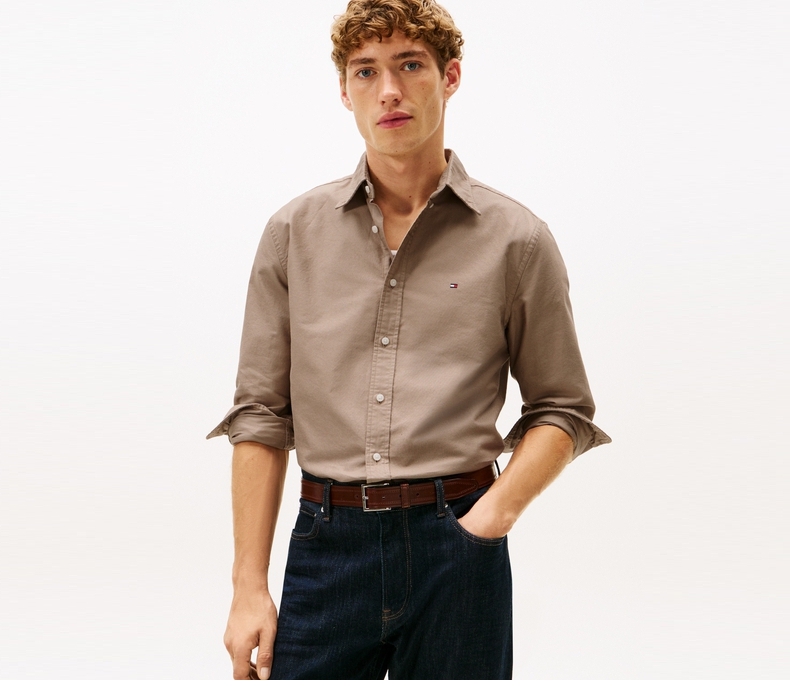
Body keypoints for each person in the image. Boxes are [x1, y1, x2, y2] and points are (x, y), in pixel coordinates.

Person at [208, 0, 610, 679]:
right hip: (326, 546)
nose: (388, 90)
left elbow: (563, 409)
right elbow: (261, 415)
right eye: (365, 71)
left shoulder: (516, 239)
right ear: (345, 91)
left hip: (458, 541)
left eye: (410, 65)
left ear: (450, 76)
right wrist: (248, 587)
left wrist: (487, 521)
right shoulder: (292, 234)